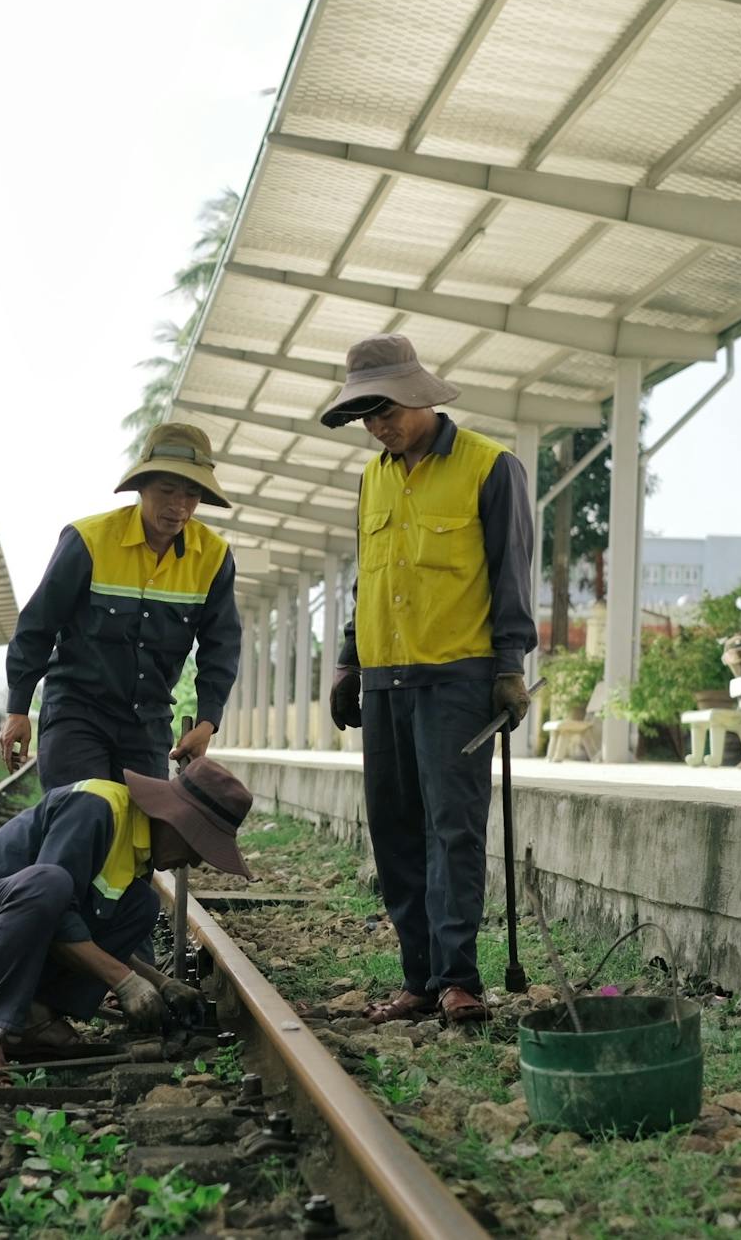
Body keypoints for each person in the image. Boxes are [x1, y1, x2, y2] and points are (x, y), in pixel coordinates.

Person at [320, 334, 535, 1025]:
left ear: (418, 392)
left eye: (386, 408)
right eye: (366, 414)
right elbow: (367, 577)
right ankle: (418, 977)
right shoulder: (373, 478)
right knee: (395, 829)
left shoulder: (489, 467)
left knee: (454, 831)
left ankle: (457, 978)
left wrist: (510, 665)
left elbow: (510, 572)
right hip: (385, 682)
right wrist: (351, 661)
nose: (378, 424)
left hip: (458, 680)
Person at [0, 757, 254, 1078]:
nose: (194, 862)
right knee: (49, 881)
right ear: (176, 820)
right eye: (200, 847)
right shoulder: (95, 807)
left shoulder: (135, 847)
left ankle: (34, 1021)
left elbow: (73, 929)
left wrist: (160, 982)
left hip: (4, 955)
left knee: (142, 904)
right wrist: (124, 980)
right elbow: (52, 907)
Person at [0, 423, 242, 789]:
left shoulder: (214, 557)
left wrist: (207, 721)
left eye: (192, 495)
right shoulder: (88, 541)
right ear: (141, 488)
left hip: (148, 725)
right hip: (76, 716)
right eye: (166, 490)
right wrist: (18, 709)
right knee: (79, 819)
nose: (179, 506)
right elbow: (38, 626)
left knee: (139, 832)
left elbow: (221, 646)